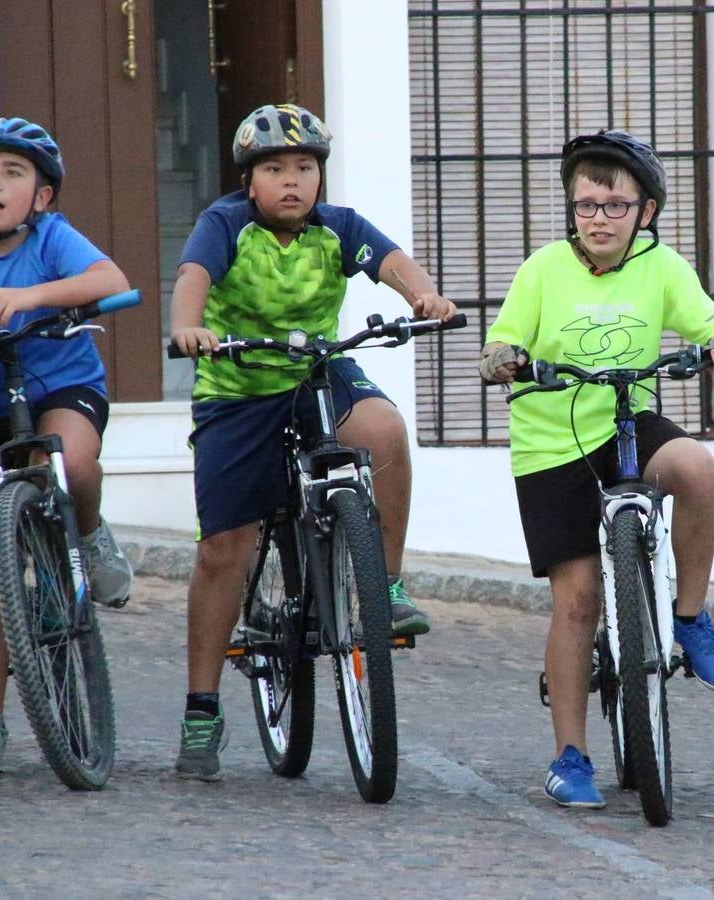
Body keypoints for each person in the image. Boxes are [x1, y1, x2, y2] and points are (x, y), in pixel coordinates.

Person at [169, 103, 456, 781]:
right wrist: (188, 327)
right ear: (250, 181)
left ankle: (383, 587)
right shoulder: (225, 224)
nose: (292, 181)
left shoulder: (338, 227)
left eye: (304, 167)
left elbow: (389, 261)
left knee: (383, 429)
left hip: (314, 370)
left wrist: (427, 296)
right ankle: (202, 707)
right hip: (238, 386)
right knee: (223, 551)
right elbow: (193, 279)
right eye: (275, 169)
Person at [479, 129, 714, 808]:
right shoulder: (541, 269)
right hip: (551, 443)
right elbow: (502, 339)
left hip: (628, 420)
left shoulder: (663, 266)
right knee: (576, 602)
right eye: (586, 206)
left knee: (696, 469)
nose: (599, 219)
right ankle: (570, 756)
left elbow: (706, 325)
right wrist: (503, 357)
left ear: (646, 212)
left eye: (615, 206)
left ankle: (688, 615)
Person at [0, 117, 134, 773]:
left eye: (12, 173)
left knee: (70, 462)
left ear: (40, 196)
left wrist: (34, 296)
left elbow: (108, 278)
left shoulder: (53, 240)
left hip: (59, 390)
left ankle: (89, 536)